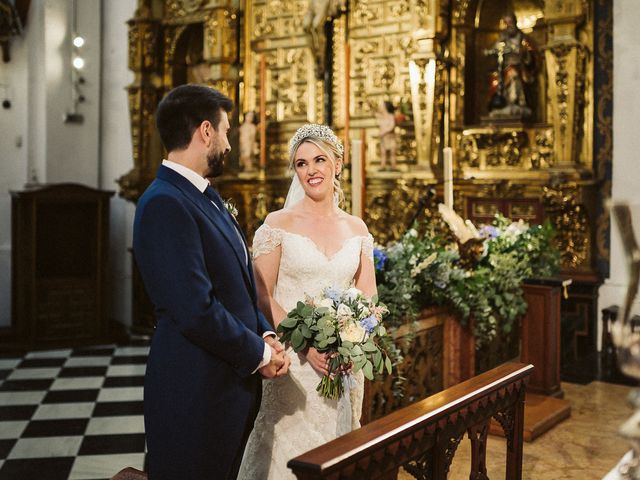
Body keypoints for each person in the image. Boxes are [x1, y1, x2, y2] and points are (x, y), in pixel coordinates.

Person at [132, 84, 290, 480]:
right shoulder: (165, 202)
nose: (229, 143)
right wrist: (258, 353)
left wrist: (266, 334)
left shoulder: (203, 196)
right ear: (205, 131)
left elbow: (235, 287)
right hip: (194, 392)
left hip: (224, 388)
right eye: (226, 131)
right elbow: (194, 308)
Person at [237, 124, 377, 479]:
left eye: (319, 160)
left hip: (343, 367)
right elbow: (262, 295)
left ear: (338, 164)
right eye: (301, 164)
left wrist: (350, 343)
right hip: (293, 365)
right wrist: (306, 346)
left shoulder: (357, 228)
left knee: (338, 452)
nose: (311, 170)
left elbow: (368, 294)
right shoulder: (277, 224)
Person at [484, 11, 538, 118]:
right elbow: (495, 49)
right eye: (507, 23)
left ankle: (516, 102)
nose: (509, 25)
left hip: (520, 66)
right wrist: (490, 52)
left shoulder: (522, 38)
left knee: (514, 75)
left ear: (515, 22)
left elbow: (530, 53)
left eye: (511, 22)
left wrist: (523, 54)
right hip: (504, 67)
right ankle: (504, 103)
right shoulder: (503, 37)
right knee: (497, 81)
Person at [376, 100, 397, 170]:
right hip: (383, 138)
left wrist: (384, 132)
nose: (380, 107)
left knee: (392, 153)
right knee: (383, 153)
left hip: (390, 137)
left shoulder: (390, 116)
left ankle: (393, 166)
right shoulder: (380, 116)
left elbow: (392, 126)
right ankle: (383, 166)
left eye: (382, 105)